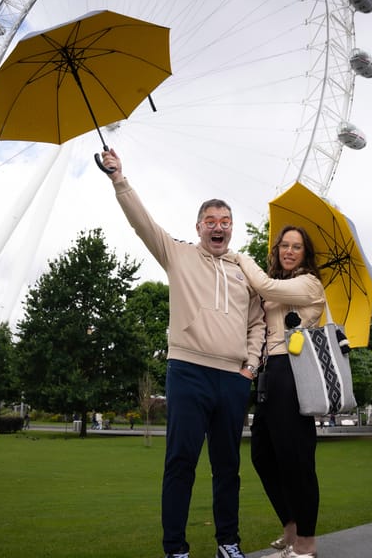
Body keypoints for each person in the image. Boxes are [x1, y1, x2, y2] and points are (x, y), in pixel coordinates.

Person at [100, 149, 266, 558]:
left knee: (228, 468)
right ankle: (175, 548)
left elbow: (258, 323)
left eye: (225, 222)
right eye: (211, 221)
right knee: (180, 463)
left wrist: (251, 366)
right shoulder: (177, 254)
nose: (218, 227)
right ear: (198, 227)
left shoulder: (245, 268)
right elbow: (144, 225)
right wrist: (120, 178)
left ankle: (228, 543)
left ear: (232, 229)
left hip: (233, 379)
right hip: (188, 371)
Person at [232, 226, 326, 558]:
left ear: (305, 253)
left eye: (296, 247)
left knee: (297, 460)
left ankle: (306, 544)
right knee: (263, 455)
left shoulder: (309, 283)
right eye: (284, 245)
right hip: (270, 373)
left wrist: (241, 257)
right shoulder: (280, 287)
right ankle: (291, 527)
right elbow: (262, 297)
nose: (288, 251)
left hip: (293, 371)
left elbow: (265, 286)